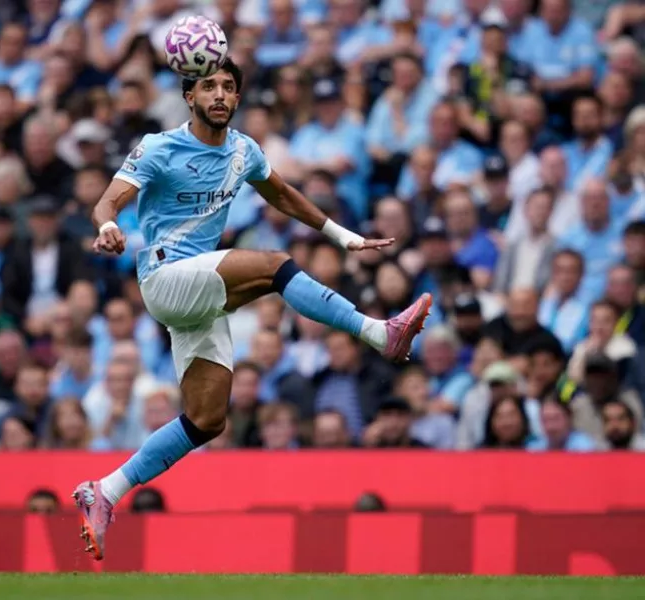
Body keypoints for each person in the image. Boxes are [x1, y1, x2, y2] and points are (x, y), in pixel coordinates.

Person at [72, 58, 432, 559]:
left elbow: (282, 194)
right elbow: (107, 202)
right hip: (165, 277)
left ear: (238, 98)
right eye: (208, 86)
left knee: (206, 421)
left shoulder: (244, 150)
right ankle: (378, 333)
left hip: (200, 292)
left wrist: (343, 236)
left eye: (228, 86)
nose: (219, 94)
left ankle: (105, 491)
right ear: (190, 97)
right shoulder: (158, 147)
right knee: (275, 266)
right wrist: (109, 226)